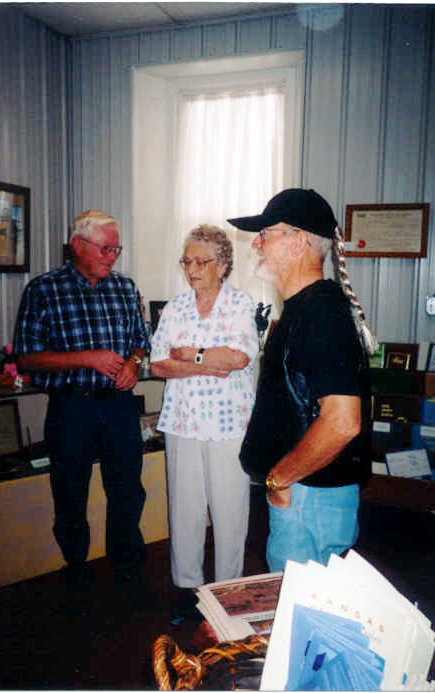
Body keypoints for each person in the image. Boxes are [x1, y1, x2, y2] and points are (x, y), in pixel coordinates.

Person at [227, 189, 377, 572]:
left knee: (303, 615)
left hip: (308, 495)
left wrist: (279, 479)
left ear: (297, 242)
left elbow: (342, 422)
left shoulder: (320, 313)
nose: (257, 244)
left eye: (266, 233)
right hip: (306, 492)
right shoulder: (305, 309)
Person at [13, 209, 149, 588]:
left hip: (119, 407)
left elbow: (140, 342)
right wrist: (88, 358)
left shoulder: (125, 287)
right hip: (71, 408)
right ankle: (76, 569)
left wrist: (134, 365)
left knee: (127, 491)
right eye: (105, 249)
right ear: (78, 245)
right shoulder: (43, 290)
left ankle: (126, 569)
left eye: (116, 250)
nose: (111, 257)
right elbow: (26, 357)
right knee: (70, 494)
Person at [150, 224, 259, 620]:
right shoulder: (175, 308)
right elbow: (159, 364)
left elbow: (238, 359)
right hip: (182, 422)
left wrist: (192, 355)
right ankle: (186, 590)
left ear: (223, 265)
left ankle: (228, 593)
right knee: (184, 509)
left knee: (230, 510)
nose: (192, 269)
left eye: (201, 261)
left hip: (228, 425)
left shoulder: (240, 304)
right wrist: (208, 363)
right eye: (187, 261)